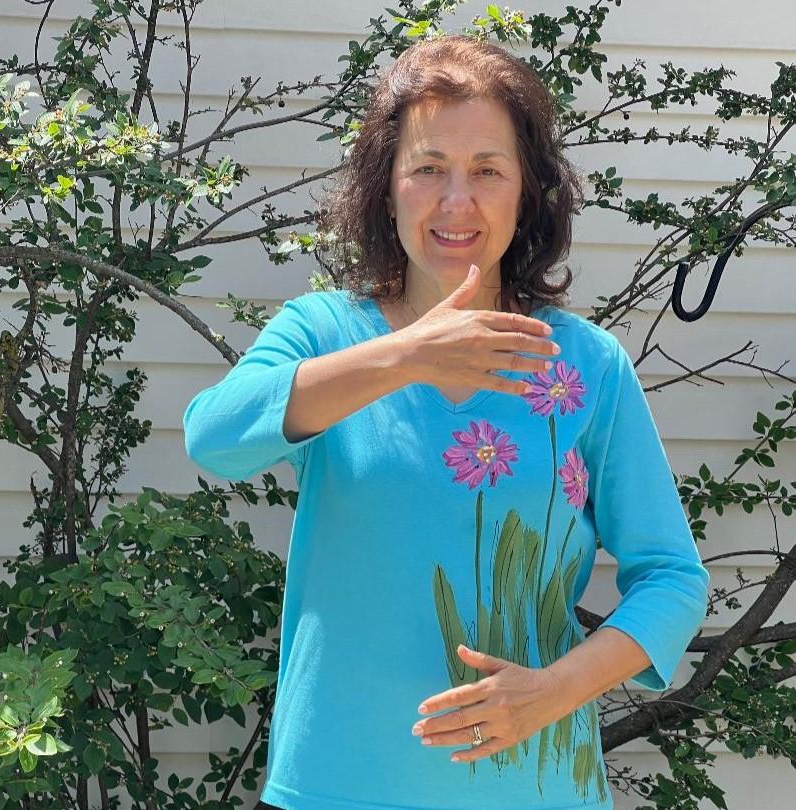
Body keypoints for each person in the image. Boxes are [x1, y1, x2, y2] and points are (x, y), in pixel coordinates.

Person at [183, 34, 710, 810]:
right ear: (385, 185)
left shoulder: (586, 365)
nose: (456, 202)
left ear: (527, 191)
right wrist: (404, 357)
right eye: (428, 168)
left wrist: (556, 690)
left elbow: (672, 579)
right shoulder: (324, 332)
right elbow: (214, 438)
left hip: (536, 791)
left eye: (487, 172)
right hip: (335, 785)